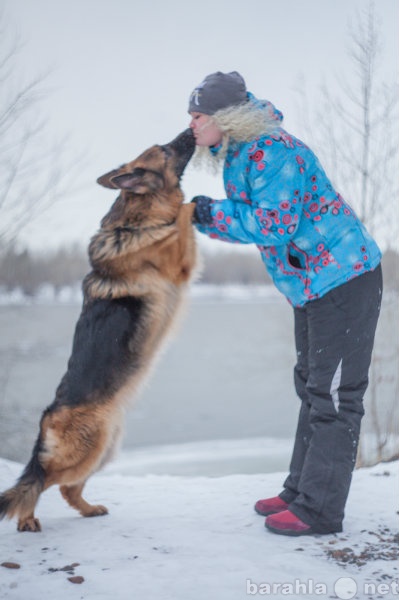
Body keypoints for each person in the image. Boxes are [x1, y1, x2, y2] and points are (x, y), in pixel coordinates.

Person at [187, 71, 382, 536]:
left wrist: (208, 213)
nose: (192, 125)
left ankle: (320, 510)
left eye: (198, 116)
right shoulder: (238, 153)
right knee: (313, 387)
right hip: (313, 285)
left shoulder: (272, 150)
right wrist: (210, 214)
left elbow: (273, 224)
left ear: (223, 117)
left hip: (344, 279)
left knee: (335, 397)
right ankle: (301, 490)